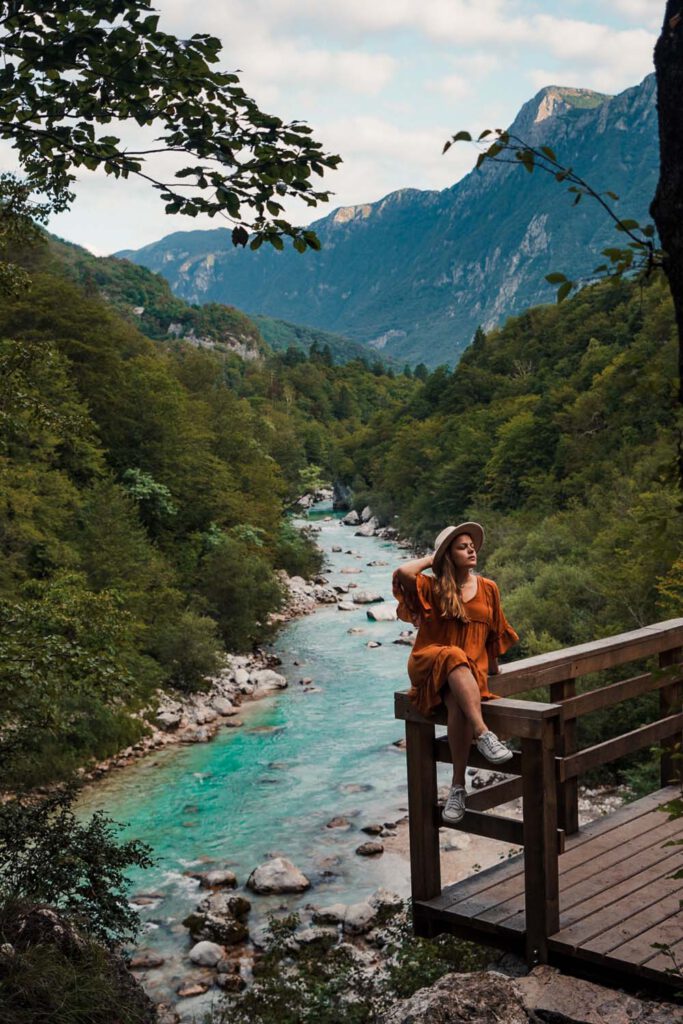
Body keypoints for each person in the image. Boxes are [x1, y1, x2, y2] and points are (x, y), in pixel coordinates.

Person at [392, 522, 518, 825]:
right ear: (448, 555)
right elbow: (404, 573)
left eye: (472, 545)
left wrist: (494, 671)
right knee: (453, 655)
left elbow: (493, 633)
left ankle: (457, 787)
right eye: (462, 546)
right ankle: (484, 733)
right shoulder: (432, 587)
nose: (471, 549)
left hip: (465, 676)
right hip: (430, 661)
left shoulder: (489, 588)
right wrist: (434, 558)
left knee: (457, 706)